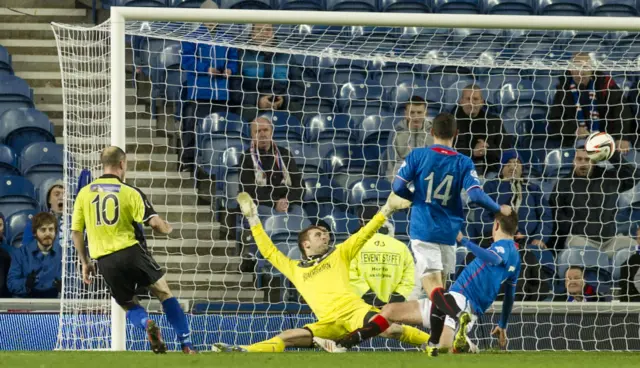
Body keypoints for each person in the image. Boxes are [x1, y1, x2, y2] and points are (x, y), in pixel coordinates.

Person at [212, 191, 433, 353]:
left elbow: (365, 233)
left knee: (392, 330)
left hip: (355, 311)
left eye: (326, 233)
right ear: (305, 244)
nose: (325, 236)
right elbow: (269, 252)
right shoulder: (294, 268)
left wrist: (387, 209)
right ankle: (243, 350)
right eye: (318, 234)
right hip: (327, 323)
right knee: (288, 336)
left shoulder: (340, 253)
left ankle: (439, 343)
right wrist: (253, 219)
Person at [71, 146, 196, 354]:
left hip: (105, 260)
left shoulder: (84, 193)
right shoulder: (130, 192)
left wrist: (85, 262)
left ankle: (147, 323)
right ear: (122, 164)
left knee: (129, 304)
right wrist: (168, 228)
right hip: (132, 252)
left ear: (103, 164)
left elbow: (76, 232)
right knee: (163, 292)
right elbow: (154, 223)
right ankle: (187, 344)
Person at [392, 112, 511, 320]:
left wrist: (413, 197)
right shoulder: (463, 162)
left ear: (431, 132)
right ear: (456, 134)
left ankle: (457, 315)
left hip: (424, 228)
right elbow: (475, 195)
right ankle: (436, 342)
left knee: (433, 287)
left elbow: (397, 186)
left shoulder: (417, 155)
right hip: (450, 231)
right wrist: (498, 209)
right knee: (442, 287)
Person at [178, 0, 239, 173]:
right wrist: (207, 69)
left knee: (222, 129)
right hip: (199, 93)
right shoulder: (191, 37)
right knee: (192, 125)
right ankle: (188, 161)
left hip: (221, 95)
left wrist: (229, 70)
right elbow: (187, 62)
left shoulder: (227, 38)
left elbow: (233, 60)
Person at [550, 143, 638, 255]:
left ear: (594, 161)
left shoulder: (609, 178)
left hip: (611, 240)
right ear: (573, 161)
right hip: (580, 239)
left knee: (636, 248)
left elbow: (635, 176)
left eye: (587, 159)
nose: (583, 163)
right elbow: (555, 213)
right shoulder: (563, 184)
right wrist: (575, 227)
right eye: (579, 159)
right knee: (587, 254)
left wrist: (612, 155)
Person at [548, 52, 635, 149]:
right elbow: (555, 120)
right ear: (570, 70)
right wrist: (574, 130)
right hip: (575, 142)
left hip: (607, 137)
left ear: (591, 69)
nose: (580, 73)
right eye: (576, 68)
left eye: (584, 68)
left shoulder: (605, 84)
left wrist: (622, 136)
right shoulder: (563, 89)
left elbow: (622, 110)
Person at [479, 150, 552, 250]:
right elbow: (483, 216)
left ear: (522, 168)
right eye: (508, 163)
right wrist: (506, 233)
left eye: (517, 163)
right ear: (501, 168)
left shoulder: (532, 188)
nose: (513, 167)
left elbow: (545, 215)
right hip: (498, 240)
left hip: (529, 243)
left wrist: (540, 237)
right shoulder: (491, 187)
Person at [349, 212, 415, 308]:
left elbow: (350, 276)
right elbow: (410, 277)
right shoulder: (401, 247)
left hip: (363, 307)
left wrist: (371, 298)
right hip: (394, 309)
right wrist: (397, 298)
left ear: (361, 222)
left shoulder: (354, 245)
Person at [240, 116, 303, 213]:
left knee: (300, 214)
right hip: (261, 204)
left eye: (265, 130)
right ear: (252, 135)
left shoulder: (285, 154)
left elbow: (299, 184)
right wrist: (274, 203)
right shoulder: (246, 157)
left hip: (288, 202)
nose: (262, 134)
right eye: (257, 131)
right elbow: (248, 190)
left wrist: (287, 200)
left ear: (271, 132)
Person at [239, 23, 296, 122]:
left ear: (273, 33)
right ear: (252, 34)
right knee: (247, 113)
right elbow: (235, 87)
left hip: (281, 100)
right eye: (259, 30)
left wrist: (284, 99)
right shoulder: (241, 54)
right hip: (251, 103)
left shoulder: (287, 55)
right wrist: (257, 101)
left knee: (296, 110)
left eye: (268, 30)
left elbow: (298, 85)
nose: (264, 34)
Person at [454, 84, 512, 176]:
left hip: (491, 172)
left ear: (482, 102)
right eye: (468, 99)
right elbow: (446, 152)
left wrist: (488, 150)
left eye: (475, 99)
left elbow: (506, 152)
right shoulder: (451, 122)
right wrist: (472, 152)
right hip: (459, 170)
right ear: (461, 101)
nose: (471, 102)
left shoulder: (494, 122)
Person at [7, 212, 61, 298]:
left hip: (55, 304)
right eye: (43, 230)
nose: (48, 233)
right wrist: (26, 284)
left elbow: (74, 283)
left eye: (51, 229)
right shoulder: (20, 254)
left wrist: (64, 288)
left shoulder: (64, 255)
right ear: (35, 233)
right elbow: (11, 283)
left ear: (55, 232)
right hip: (28, 303)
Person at [386, 96, 434, 182]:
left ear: (425, 113)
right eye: (412, 113)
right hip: (402, 175)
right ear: (406, 113)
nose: (415, 116)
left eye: (419, 112)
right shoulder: (397, 132)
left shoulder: (433, 132)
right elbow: (392, 164)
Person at [23, 180, 64, 246]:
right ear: (49, 200)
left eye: (65, 195)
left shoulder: (75, 223)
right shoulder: (34, 222)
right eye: (57, 194)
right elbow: (26, 249)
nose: (62, 197)